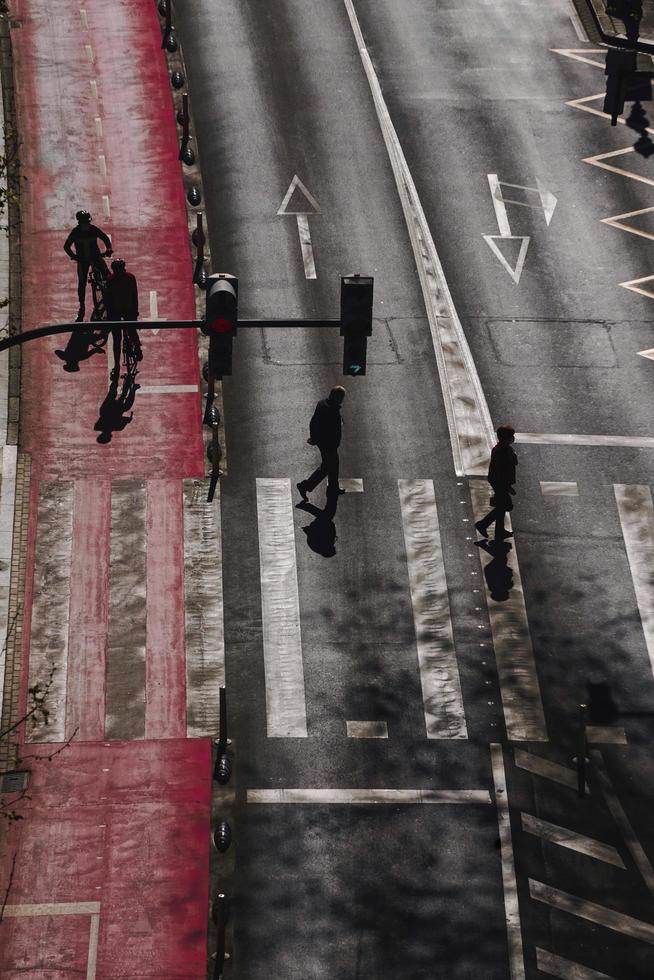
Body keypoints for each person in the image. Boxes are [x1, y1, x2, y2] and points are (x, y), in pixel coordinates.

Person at [297, 385, 346, 501]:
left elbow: (313, 422)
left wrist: (313, 437)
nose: (342, 400)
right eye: (342, 397)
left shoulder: (322, 404)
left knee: (332, 465)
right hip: (328, 444)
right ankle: (305, 485)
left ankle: (333, 488)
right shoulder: (331, 410)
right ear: (337, 397)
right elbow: (329, 427)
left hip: (325, 442)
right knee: (328, 466)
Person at [63, 210, 113, 321]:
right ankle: (82, 305)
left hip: (96, 257)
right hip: (82, 260)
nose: (87, 225)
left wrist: (108, 249)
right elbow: (66, 246)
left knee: (108, 275)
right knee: (82, 282)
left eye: (88, 222)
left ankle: (113, 295)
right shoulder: (75, 232)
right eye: (84, 222)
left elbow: (104, 238)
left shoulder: (93, 229)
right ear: (79, 222)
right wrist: (74, 256)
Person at [475, 424, 518, 540]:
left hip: (499, 481)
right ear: (506, 438)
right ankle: (483, 524)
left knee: (502, 505)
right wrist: (508, 486)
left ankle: (499, 531)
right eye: (511, 436)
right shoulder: (502, 451)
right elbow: (503, 470)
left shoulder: (503, 449)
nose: (513, 439)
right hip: (499, 482)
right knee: (505, 505)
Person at [103, 258, 141, 379]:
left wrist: (135, 311)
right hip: (116, 312)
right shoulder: (111, 280)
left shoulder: (129, 278)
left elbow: (134, 296)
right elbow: (107, 300)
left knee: (131, 331)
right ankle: (117, 366)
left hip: (128, 310)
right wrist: (110, 317)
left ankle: (138, 347)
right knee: (117, 339)